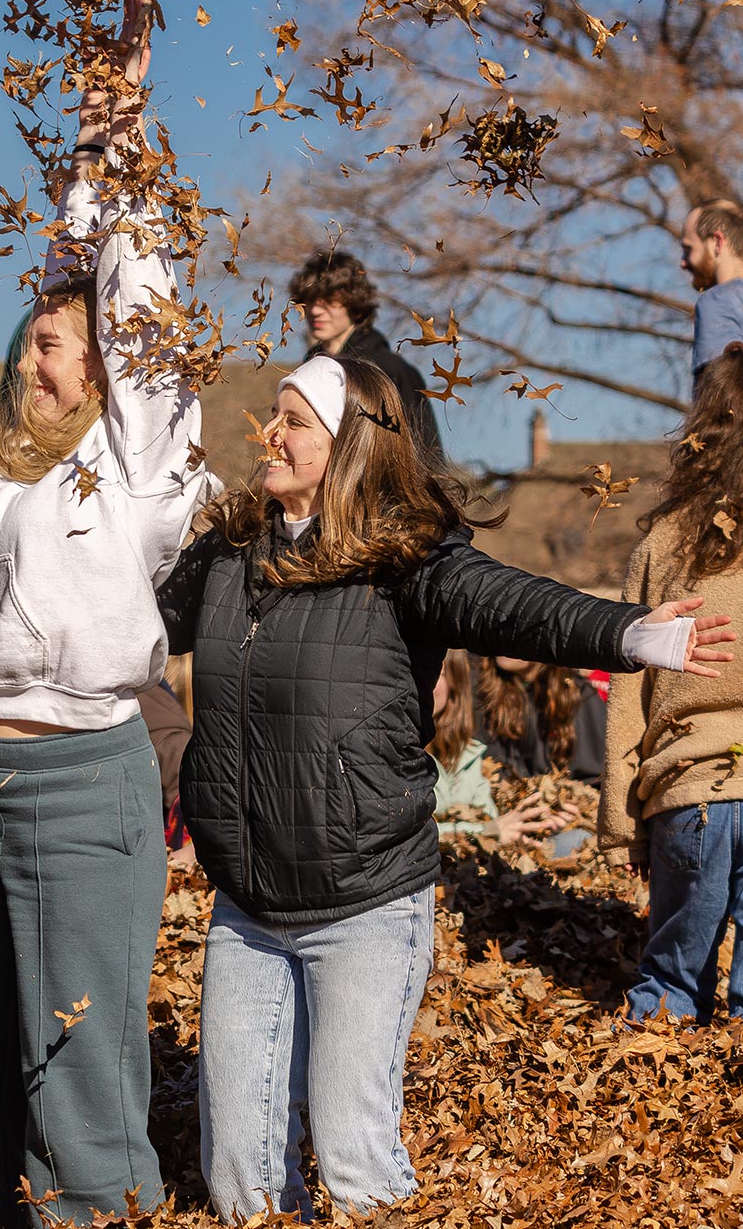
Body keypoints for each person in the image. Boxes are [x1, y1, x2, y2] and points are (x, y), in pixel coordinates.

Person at [162, 354, 730, 1220]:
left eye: (293, 421)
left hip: (364, 904)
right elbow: (120, 617)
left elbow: (514, 605)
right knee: (240, 1182)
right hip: (246, 907)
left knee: (355, 1169)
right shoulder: (231, 556)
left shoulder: (404, 560)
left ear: (348, 444)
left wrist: (630, 635)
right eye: (273, 417)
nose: (269, 434)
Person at [0, 0, 212, 1228]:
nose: (29, 359)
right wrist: (79, 162)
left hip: (82, 783)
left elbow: (123, 294)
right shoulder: (0, 472)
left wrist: (120, 137)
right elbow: (66, 273)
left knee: (78, 1078)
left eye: (52, 345)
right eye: (27, 341)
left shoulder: (138, 462)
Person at [604, 344, 743, 1022]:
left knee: (668, 984)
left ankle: (646, 1091)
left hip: (690, 790)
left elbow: (627, 693)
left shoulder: (664, 545)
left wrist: (622, 819)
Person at [288, 249, 445, 462]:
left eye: (330, 301)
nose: (315, 310)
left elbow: (427, 456)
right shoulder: (307, 372)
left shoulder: (390, 370)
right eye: (310, 300)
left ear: (357, 307)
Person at [430, 650, 572, 843]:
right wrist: (487, 830)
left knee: (574, 839)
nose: (423, 684)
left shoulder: (468, 754)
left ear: (453, 683)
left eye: (436, 672)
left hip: (478, 859)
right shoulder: (390, 751)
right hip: (427, 866)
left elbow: (492, 817)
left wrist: (542, 813)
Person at [475, 655, 608, 785]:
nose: (504, 638)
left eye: (516, 632)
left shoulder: (580, 698)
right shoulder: (484, 694)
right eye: (499, 631)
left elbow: (596, 779)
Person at [679, 201, 743, 378]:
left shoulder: (718, 301)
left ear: (717, 242)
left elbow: (719, 394)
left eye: (688, 249)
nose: (683, 262)